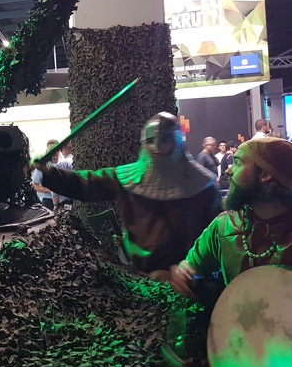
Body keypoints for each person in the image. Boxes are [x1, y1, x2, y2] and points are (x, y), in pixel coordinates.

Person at [34, 112, 220, 274]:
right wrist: (48, 173)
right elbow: (86, 184)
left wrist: (195, 268)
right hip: (142, 276)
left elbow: (215, 236)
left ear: (176, 141)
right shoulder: (126, 178)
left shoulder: (204, 185)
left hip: (190, 277)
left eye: (165, 139)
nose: (157, 147)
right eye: (151, 140)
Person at [170, 137, 292, 295]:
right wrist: (184, 273)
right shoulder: (225, 225)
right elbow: (193, 267)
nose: (229, 171)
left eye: (238, 163)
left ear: (265, 174)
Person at [32, 139, 59, 209]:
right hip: (48, 201)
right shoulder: (42, 166)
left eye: (55, 149)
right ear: (47, 152)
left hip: (62, 201)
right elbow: (35, 186)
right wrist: (49, 190)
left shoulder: (64, 164)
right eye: (50, 150)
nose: (53, 152)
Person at [52, 141, 74, 208]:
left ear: (61, 151)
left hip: (67, 203)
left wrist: (55, 205)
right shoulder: (81, 161)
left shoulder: (61, 164)